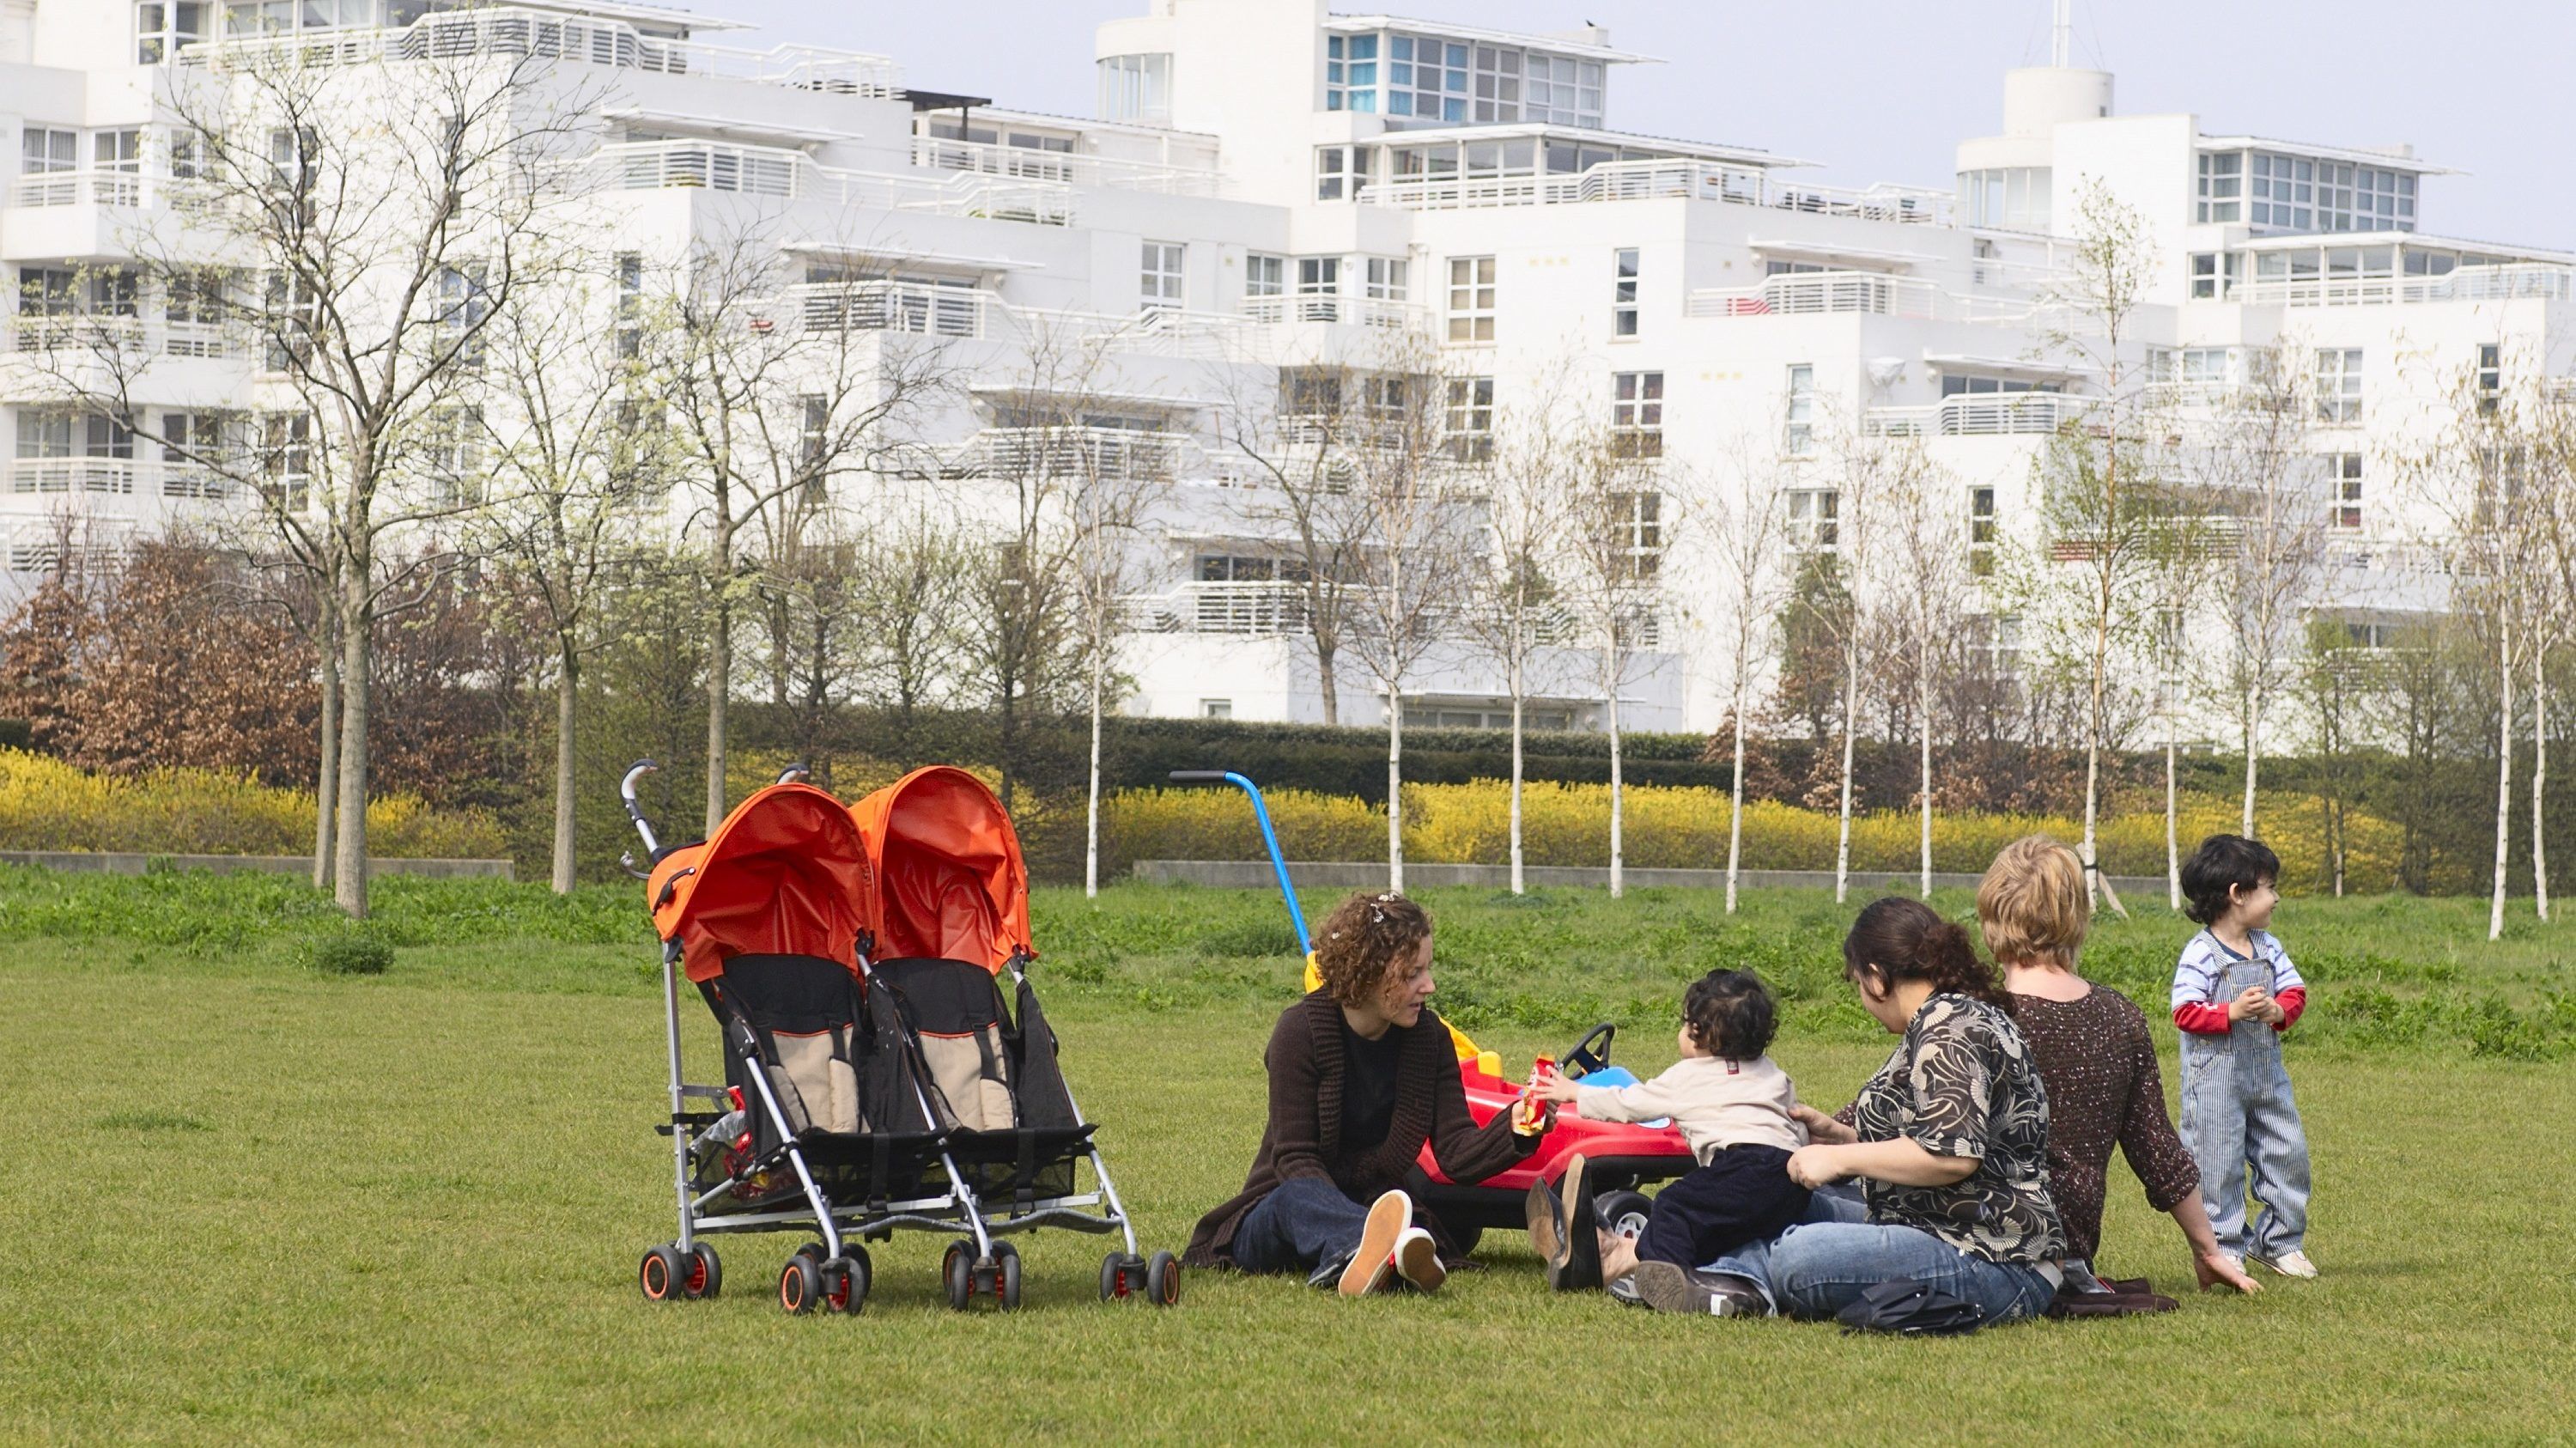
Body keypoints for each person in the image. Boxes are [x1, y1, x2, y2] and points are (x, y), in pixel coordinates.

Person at [1681, 897, 2065, 1326]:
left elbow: (1952, 1157)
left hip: (1994, 1259)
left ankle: (1725, 1276)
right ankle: (1723, 1278)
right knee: (1772, 1200)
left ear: (1877, 977)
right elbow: (1934, 1138)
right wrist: (1843, 1137)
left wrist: (1839, 1158)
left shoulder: (1950, 1031)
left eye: (1858, 981)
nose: (1862, 995)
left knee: (1800, 1254)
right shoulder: (1943, 1017)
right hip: (1929, 1223)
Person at [1182, 890, 1550, 1295]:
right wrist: (1361, 1218)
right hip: (1283, 1208)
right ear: (1369, 973)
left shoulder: (1430, 1039)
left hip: (1374, 1204)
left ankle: (1373, 1253)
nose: (1430, 985)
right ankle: (1375, 1247)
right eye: (1412, 974)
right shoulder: (1298, 1033)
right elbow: (1294, 1158)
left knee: (1433, 1217)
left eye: (1427, 969)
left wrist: (1515, 1128)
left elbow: (1457, 1154)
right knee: (1297, 1198)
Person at [1980, 835, 2260, 1303]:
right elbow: (2156, 1147)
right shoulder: (2119, 1015)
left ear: (1993, 911)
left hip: (1981, 1238)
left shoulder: (1973, 1013)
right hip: (2068, 1254)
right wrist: (2208, 1248)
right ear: (2076, 915)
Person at [1522, 970, 1812, 1312]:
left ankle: (1663, 1274)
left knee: (1674, 1206)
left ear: (1698, 1034)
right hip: (1791, 1181)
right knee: (1715, 1224)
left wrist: (1573, 1092)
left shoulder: (1689, 1076)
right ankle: (1611, 1257)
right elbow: (1796, 1123)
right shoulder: (1772, 1072)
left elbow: (1631, 1104)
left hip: (1743, 1166)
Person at [2174, 833, 2317, 1280]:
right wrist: (2232, 1011)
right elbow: (2184, 1011)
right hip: (2214, 1082)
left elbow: (2295, 991)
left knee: (2287, 1153)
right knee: (2217, 1164)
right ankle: (2224, 1248)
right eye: (2268, 887)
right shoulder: (2201, 953)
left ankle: (2279, 1242)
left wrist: (2277, 1010)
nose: (2275, 898)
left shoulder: (2269, 947)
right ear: (2237, 895)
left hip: (2266, 1076)